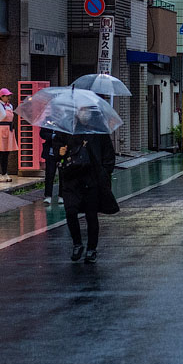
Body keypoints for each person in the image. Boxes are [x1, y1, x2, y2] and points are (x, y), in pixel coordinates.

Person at [60, 107, 118, 264]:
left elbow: (108, 155)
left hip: (91, 179)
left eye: (85, 110)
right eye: (80, 110)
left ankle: (91, 249)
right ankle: (77, 243)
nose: (82, 113)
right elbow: (58, 146)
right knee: (70, 211)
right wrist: (61, 151)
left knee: (91, 215)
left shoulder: (99, 132)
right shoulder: (69, 129)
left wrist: (104, 174)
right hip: (71, 178)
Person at [40, 126, 67, 205]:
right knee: (49, 174)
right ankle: (48, 196)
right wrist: (52, 136)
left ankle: (61, 196)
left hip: (62, 153)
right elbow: (42, 134)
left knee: (62, 175)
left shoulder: (65, 121)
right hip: (50, 152)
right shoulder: (48, 122)